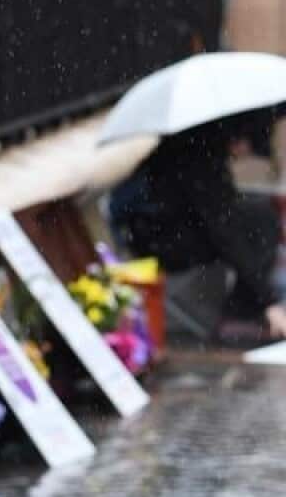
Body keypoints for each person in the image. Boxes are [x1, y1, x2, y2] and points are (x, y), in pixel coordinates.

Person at [109, 109, 286, 342]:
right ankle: (240, 316)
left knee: (255, 214)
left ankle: (247, 305)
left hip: (159, 229)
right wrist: (269, 301)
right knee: (256, 223)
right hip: (159, 243)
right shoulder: (199, 155)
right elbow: (223, 229)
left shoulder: (197, 139)